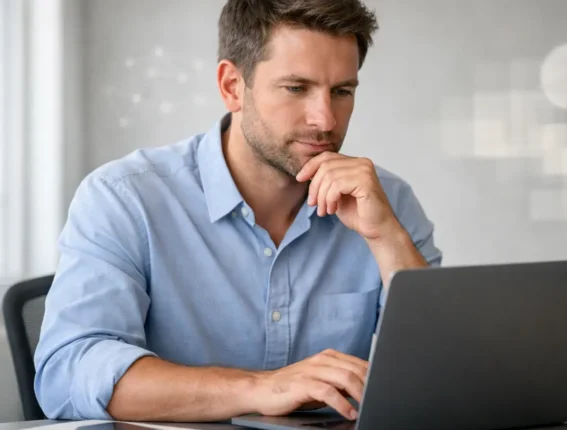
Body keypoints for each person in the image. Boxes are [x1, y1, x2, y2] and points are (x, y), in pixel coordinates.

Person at [33, 0, 442, 423]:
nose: (325, 120)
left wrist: (387, 239)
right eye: (296, 88)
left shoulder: (385, 201)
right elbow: (69, 372)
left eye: (342, 91)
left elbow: (447, 378)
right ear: (232, 86)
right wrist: (262, 387)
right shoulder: (125, 198)